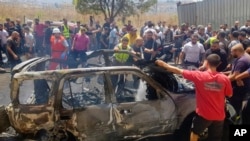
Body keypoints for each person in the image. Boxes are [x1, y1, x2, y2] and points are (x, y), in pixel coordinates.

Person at [156, 54, 232, 141]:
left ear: (206, 63)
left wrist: (163, 64)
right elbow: (229, 94)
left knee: (195, 133)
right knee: (215, 137)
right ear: (219, 64)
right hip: (219, 116)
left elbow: (178, 71)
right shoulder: (225, 79)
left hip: (204, 115)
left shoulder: (199, 76)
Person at [227, 43, 250, 116]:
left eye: (232, 51)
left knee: (234, 106)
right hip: (239, 86)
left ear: (237, 51)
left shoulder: (241, 61)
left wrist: (223, 80)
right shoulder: (240, 58)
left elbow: (235, 76)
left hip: (239, 89)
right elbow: (233, 72)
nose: (231, 53)